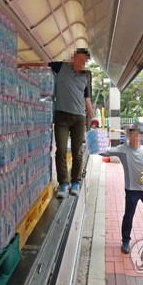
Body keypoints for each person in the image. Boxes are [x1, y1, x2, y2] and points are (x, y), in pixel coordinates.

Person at [100, 125, 143, 254]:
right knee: (129, 215)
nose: (134, 138)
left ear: (140, 136)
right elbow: (104, 152)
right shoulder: (122, 149)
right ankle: (125, 240)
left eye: (137, 135)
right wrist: (96, 140)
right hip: (131, 190)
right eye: (132, 135)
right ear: (128, 137)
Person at [49, 48, 94, 198]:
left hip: (79, 118)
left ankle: (76, 181)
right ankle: (63, 184)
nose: (81, 64)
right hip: (61, 117)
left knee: (77, 151)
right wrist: (21, 64)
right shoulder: (61, 67)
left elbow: (86, 98)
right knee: (61, 150)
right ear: (74, 58)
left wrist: (91, 113)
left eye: (84, 62)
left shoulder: (84, 78)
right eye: (79, 60)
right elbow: (43, 64)